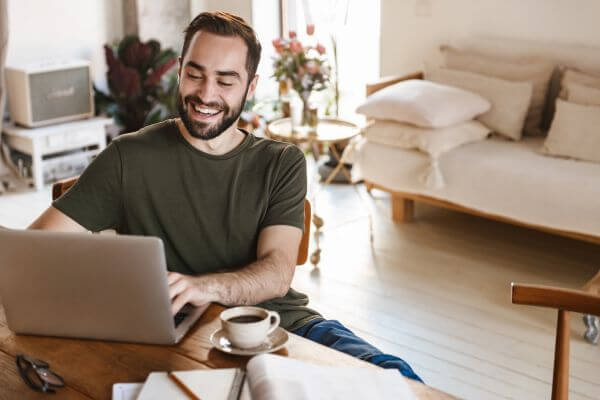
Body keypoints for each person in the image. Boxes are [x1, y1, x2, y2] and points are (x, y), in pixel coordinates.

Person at [29, 11, 422, 382]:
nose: (205, 94)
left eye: (225, 80)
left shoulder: (281, 162)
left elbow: (277, 272)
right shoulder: (127, 157)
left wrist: (204, 287)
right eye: (195, 75)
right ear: (180, 71)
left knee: (398, 378)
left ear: (251, 87)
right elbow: (36, 249)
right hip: (177, 337)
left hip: (281, 326)